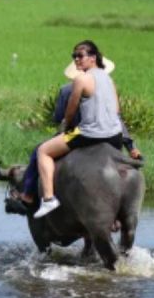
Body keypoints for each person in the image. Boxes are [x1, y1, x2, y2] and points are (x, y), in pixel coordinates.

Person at [19, 59, 141, 205]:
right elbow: (116, 119)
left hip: (80, 135)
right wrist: (131, 147)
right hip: (110, 137)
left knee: (39, 152)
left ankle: (29, 194)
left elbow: (60, 117)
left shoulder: (66, 90)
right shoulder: (108, 88)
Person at [33, 40, 127, 219]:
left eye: (80, 56)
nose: (76, 59)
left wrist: (66, 125)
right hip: (115, 136)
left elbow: (71, 108)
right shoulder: (109, 79)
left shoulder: (81, 79)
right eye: (74, 56)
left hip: (90, 134)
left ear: (92, 58)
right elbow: (116, 110)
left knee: (43, 151)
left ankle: (48, 198)